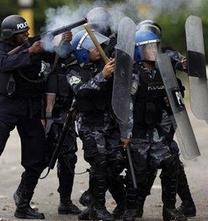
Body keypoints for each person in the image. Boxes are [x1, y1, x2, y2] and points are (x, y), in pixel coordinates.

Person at [0, 15, 68, 220]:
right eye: (21, 34)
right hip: (7, 107)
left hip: (30, 109)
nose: (26, 35)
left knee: (37, 156)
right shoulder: (0, 48)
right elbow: (4, 63)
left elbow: (56, 62)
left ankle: (23, 203)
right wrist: (29, 51)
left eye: (27, 32)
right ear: (10, 36)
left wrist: (61, 45)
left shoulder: (35, 44)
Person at [121, 25, 187, 221]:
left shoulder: (164, 70)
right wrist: (126, 134)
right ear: (138, 50)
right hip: (138, 134)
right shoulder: (133, 75)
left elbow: (176, 99)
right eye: (149, 46)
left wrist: (172, 102)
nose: (154, 50)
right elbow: (126, 105)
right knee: (138, 173)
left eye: (155, 46)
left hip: (157, 131)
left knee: (171, 164)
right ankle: (132, 209)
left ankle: (169, 209)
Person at [66, 29, 131, 221]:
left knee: (117, 162)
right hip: (90, 125)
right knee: (100, 162)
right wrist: (103, 76)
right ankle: (99, 209)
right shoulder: (74, 70)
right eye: (94, 46)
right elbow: (81, 92)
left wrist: (119, 72)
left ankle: (98, 205)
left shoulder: (107, 63)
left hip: (110, 123)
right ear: (82, 51)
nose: (99, 48)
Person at [43, 33, 81, 215]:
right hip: (44, 118)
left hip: (66, 116)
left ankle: (65, 201)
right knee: (39, 159)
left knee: (68, 158)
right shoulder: (44, 60)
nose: (65, 44)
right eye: (61, 40)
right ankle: (23, 198)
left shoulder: (74, 60)